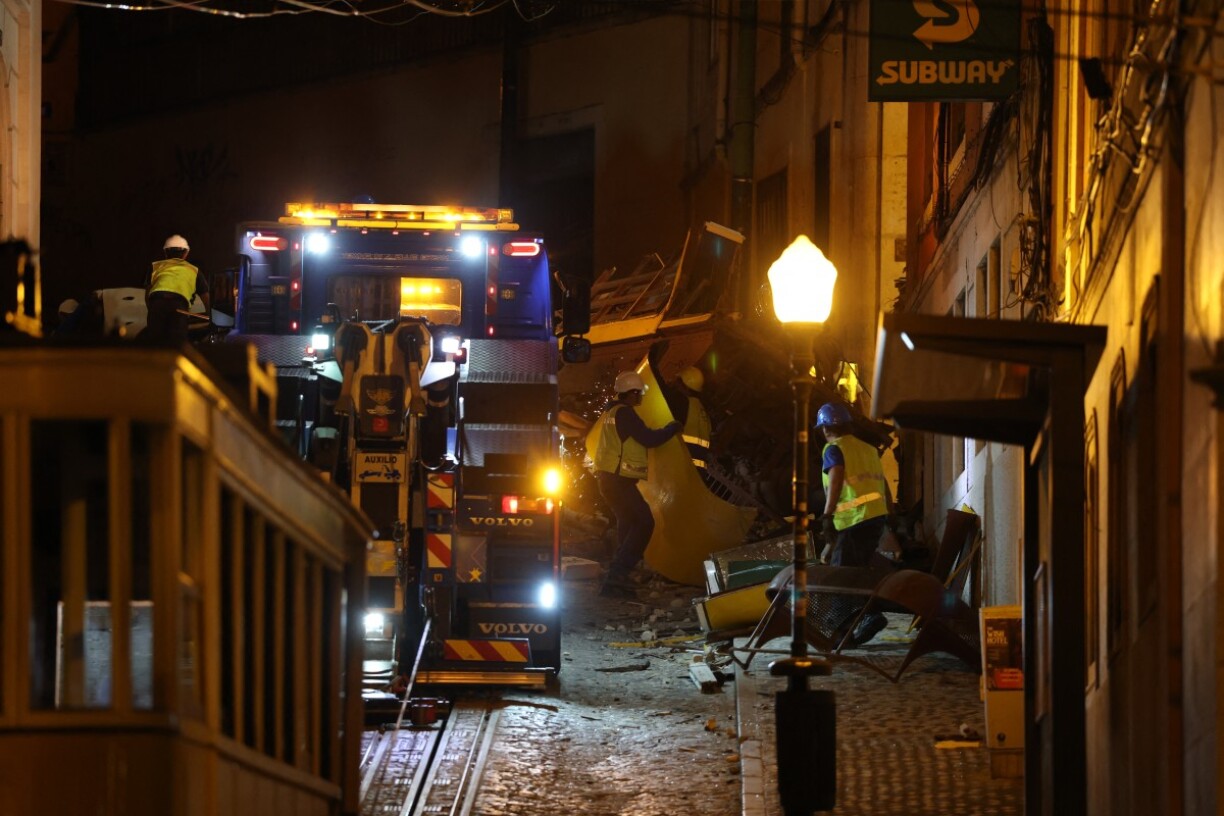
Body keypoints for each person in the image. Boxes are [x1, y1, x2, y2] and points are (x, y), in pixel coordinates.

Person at [592, 369, 682, 598]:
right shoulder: (626, 414)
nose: (641, 396)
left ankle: (617, 581)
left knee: (628, 521)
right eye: (639, 392)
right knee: (644, 522)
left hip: (609, 479)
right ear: (631, 393)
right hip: (618, 481)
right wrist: (672, 427)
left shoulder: (611, 411)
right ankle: (618, 574)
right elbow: (649, 438)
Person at [816, 400, 892, 644]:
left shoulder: (834, 449)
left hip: (853, 520)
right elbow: (884, 484)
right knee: (855, 573)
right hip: (875, 518)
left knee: (841, 576)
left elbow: (836, 481)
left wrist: (827, 515)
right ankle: (856, 623)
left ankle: (857, 623)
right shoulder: (867, 449)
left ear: (826, 429)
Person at [647, 339, 714, 480]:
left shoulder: (682, 403)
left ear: (683, 385)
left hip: (684, 467)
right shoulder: (700, 410)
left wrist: (651, 363)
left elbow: (660, 389)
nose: (673, 383)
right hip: (696, 470)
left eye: (677, 382)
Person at [144, 234, 209, 345]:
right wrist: (210, 317)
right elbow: (206, 299)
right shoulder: (194, 270)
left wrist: (153, 309)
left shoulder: (155, 266)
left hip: (156, 304)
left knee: (154, 345)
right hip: (179, 306)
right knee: (177, 345)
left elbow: (147, 294)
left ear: (165, 253)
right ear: (186, 253)